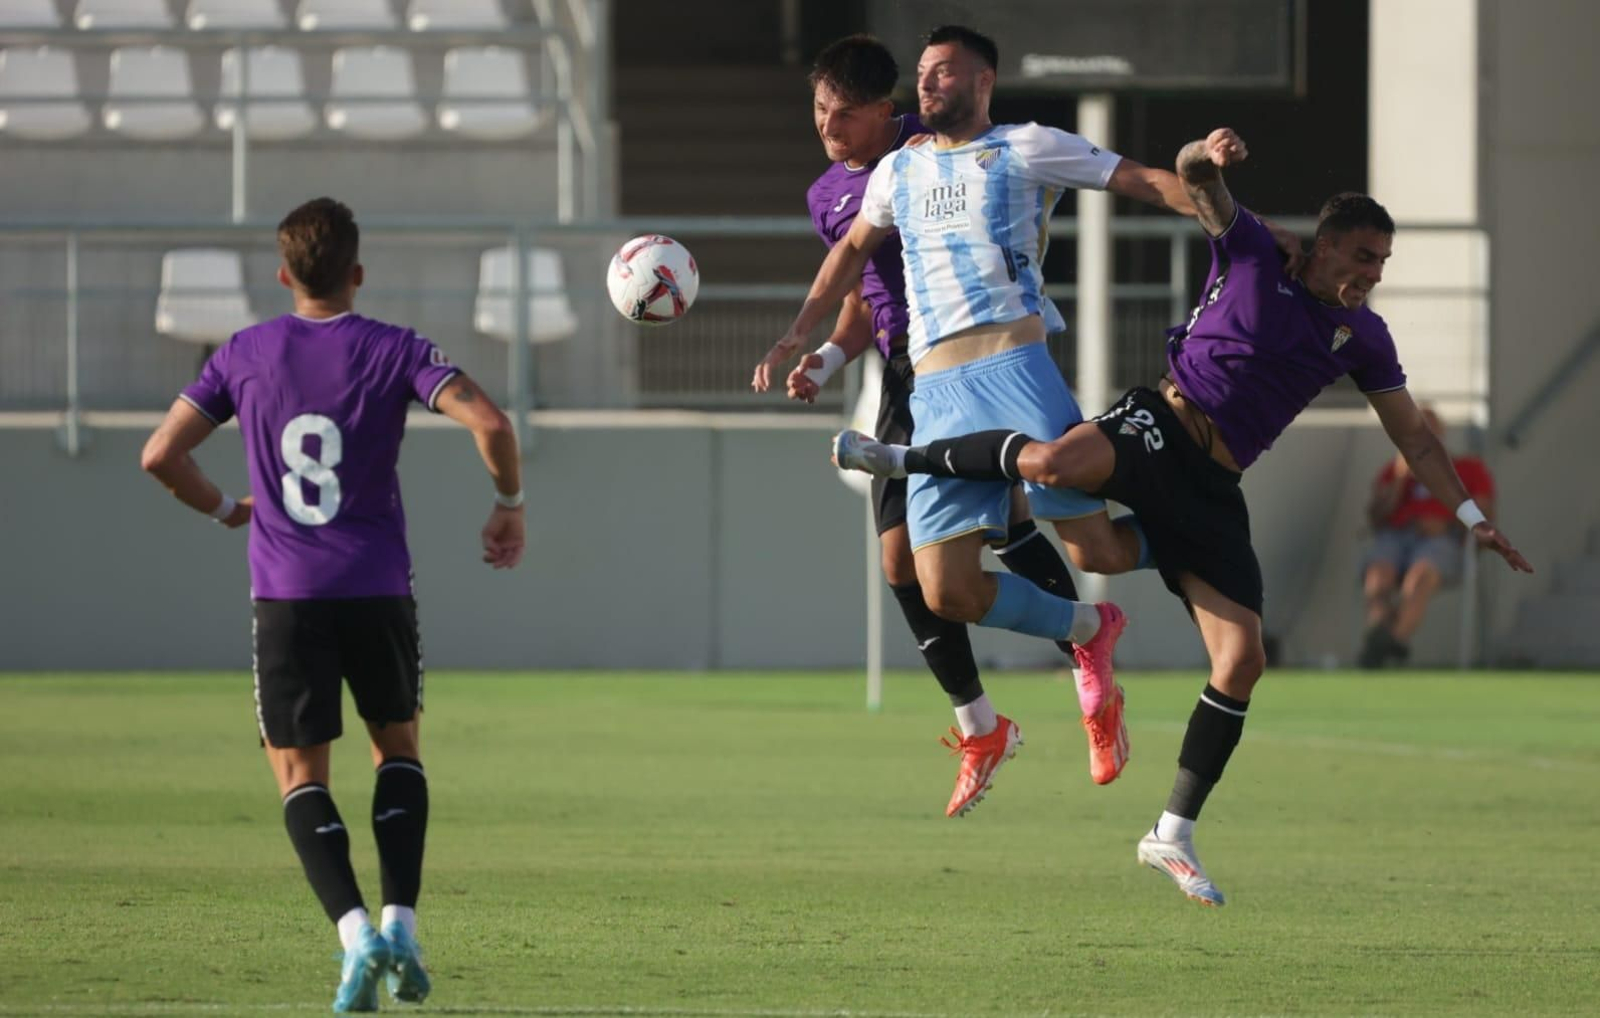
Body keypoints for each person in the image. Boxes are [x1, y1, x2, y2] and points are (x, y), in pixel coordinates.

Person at [832, 138, 1533, 907]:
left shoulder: (1365, 336)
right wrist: (1207, 153)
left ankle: (1171, 832)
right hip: (1158, 424)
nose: (1372, 274)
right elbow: (1199, 183)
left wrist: (1471, 515)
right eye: (1363, 257)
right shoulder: (1256, 251)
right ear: (1326, 244)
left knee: (1238, 656)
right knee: (1056, 471)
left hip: (1214, 484)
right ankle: (903, 458)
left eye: (1382, 264)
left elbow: (1417, 440)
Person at [767, 24, 1247, 795]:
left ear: (982, 80)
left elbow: (1140, 180)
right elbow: (852, 253)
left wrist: (1227, 209)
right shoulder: (897, 170)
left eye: (943, 71)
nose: (929, 82)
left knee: (1096, 551)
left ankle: (1197, 530)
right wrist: (803, 334)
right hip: (932, 393)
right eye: (924, 71)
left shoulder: (1024, 146)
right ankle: (1087, 631)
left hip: (1015, 370)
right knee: (944, 589)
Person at [140, 198, 526, 1010]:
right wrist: (508, 504)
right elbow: (491, 424)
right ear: (357, 272)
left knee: (298, 774)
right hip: (378, 587)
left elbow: (161, 454)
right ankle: (402, 928)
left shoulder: (244, 354)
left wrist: (227, 509)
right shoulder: (395, 348)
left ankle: (355, 938)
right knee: (399, 752)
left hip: (288, 595)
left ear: (284, 275)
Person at [749, 34, 1096, 818]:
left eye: (844, 114)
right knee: (902, 562)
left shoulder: (930, 144)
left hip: (978, 355)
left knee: (1011, 522)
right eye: (819, 111)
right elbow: (864, 297)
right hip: (903, 376)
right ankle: (982, 724)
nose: (829, 127)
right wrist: (825, 359)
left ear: (885, 111)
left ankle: (1086, 657)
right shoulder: (827, 195)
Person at [1359, 405, 1497, 667]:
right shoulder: (1393, 469)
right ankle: (1381, 635)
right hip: (1396, 536)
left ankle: (1386, 645)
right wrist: (1399, 480)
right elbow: (1375, 517)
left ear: (1441, 434)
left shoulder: (1468, 468)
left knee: (1420, 577)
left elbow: (1485, 517)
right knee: (1378, 576)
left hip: (1442, 541)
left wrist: (1449, 522)